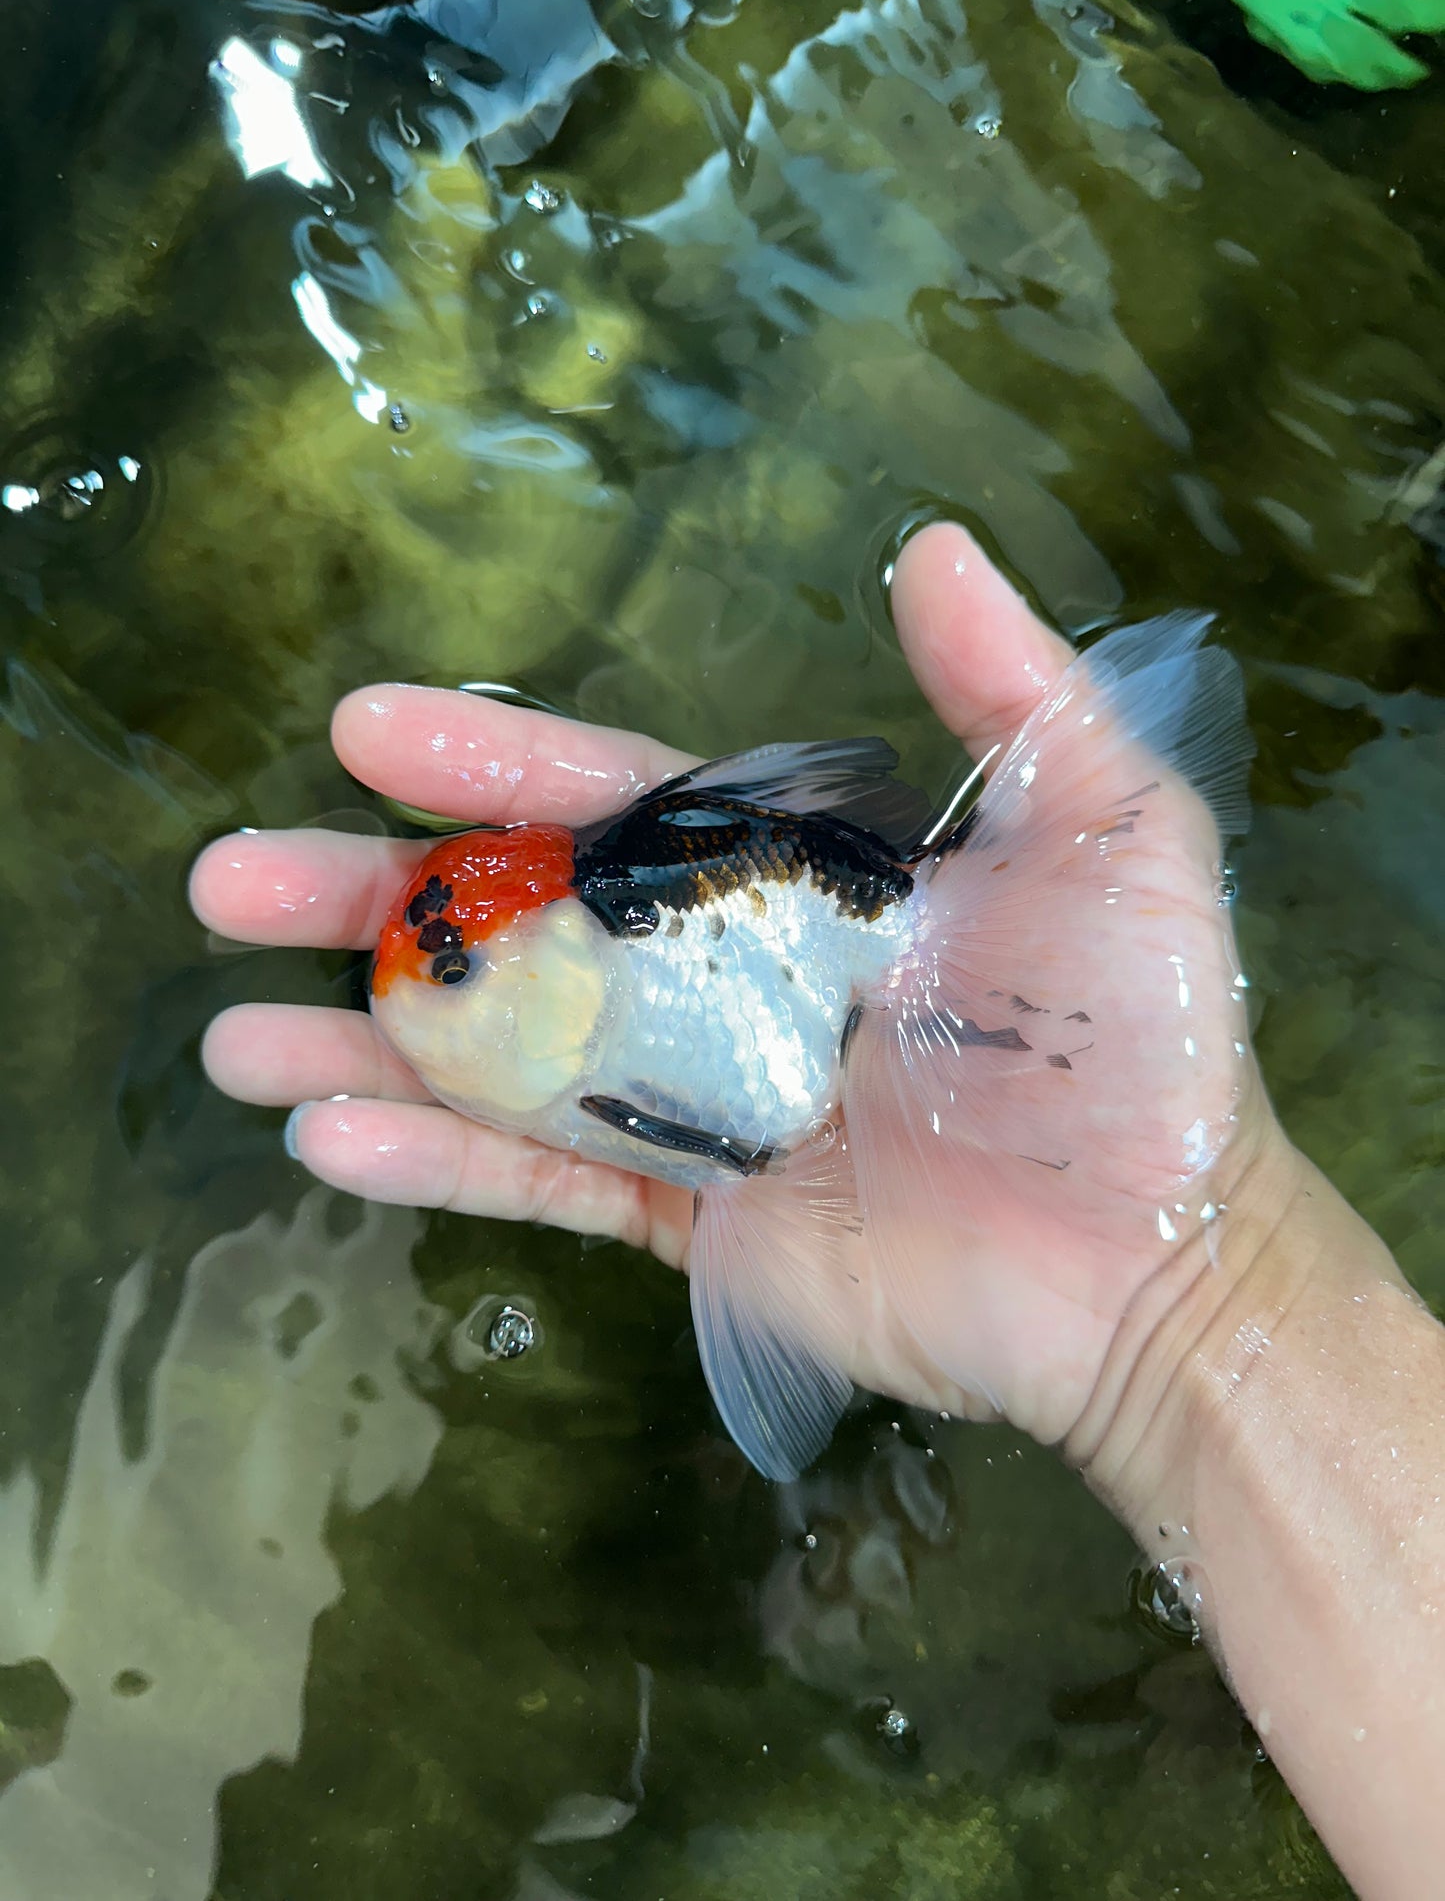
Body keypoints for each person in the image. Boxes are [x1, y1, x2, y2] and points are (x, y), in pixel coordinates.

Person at [190, 521, 1445, 1900]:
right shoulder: (599, 957)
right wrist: (1206, 1292)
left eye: (455, 969)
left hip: (822, 956)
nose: (416, 982)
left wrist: (1199, 1283)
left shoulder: (699, 938)